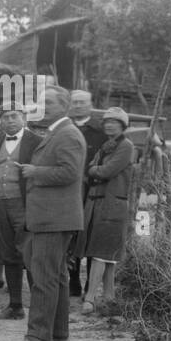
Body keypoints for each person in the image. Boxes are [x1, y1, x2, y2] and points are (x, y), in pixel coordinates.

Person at [15, 85, 86, 341]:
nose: (42, 107)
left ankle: (38, 335)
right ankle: (57, 331)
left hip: (53, 218)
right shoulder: (59, 132)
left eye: (49, 103)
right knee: (56, 276)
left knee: (44, 277)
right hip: (52, 217)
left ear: (63, 107)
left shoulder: (67, 134)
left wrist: (35, 172)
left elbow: (69, 172)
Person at [77, 107, 134, 315]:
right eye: (107, 122)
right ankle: (109, 298)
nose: (109, 125)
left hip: (112, 205)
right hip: (97, 204)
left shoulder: (125, 146)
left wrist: (94, 171)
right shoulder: (106, 146)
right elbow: (93, 167)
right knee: (107, 254)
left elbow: (106, 170)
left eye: (115, 122)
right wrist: (95, 171)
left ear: (123, 126)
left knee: (102, 253)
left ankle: (90, 298)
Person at [0, 105, 39, 319]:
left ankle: (38, 305)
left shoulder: (36, 141)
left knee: (29, 253)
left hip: (23, 203)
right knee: (8, 253)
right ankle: (15, 305)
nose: (9, 121)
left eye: (14, 116)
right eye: (5, 117)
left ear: (24, 118)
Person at [67, 89, 106, 297]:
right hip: (68, 192)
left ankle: (91, 283)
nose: (79, 105)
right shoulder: (65, 128)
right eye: (75, 102)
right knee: (71, 237)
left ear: (90, 104)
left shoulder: (100, 131)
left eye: (83, 102)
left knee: (91, 237)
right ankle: (73, 282)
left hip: (93, 193)